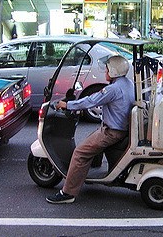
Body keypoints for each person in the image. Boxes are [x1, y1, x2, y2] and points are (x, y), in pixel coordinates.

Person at [46, 55, 134, 204]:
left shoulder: (113, 89)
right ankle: (91, 169)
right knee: (91, 138)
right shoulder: (128, 83)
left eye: (107, 69)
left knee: (80, 153)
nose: (105, 72)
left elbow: (91, 101)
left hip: (112, 133)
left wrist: (67, 105)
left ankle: (68, 193)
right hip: (119, 129)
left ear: (113, 71)